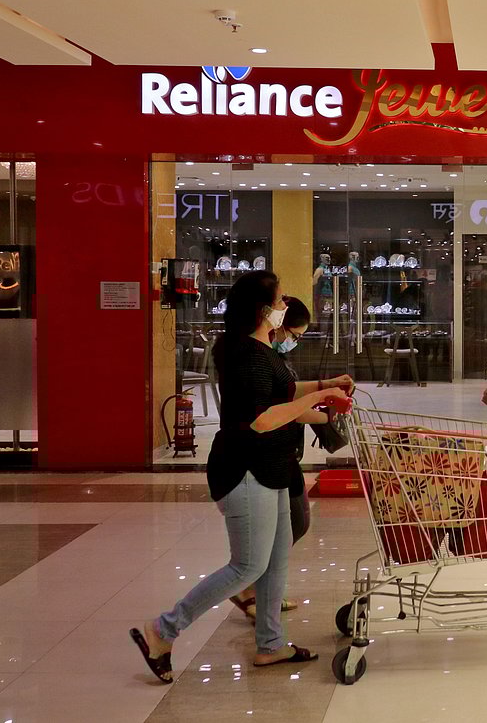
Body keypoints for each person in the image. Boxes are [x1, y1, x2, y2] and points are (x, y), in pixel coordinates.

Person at [130, 271, 353, 683]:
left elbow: (281, 393)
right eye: (281, 299)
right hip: (246, 467)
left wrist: (324, 393)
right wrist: (320, 398)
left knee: (276, 560)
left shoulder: (259, 348)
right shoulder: (246, 354)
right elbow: (262, 419)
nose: (285, 305)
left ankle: (270, 644)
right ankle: (163, 630)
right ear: (263, 309)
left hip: (273, 467)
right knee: (248, 567)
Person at [226, 296, 341, 621]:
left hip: (282, 452)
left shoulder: (271, 356)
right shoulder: (255, 358)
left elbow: (288, 393)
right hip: (264, 456)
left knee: (294, 524)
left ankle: (265, 607)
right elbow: (273, 411)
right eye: (295, 334)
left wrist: (325, 388)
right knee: (287, 528)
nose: (295, 341)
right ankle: (250, 592)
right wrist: (324, 412)